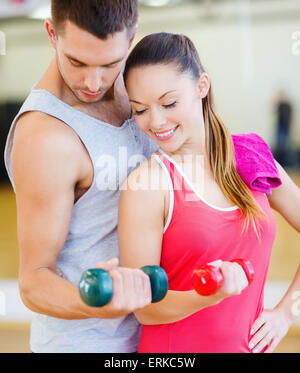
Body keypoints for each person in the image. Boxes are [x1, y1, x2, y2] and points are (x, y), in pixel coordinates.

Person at [118, 32, 300, 353]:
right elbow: (144, 306)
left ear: (202, 86)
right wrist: (208, 295)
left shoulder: (252, 156)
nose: (155, 122)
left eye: (169, 102)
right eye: (140, 110)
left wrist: (287, 312)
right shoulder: (147, 184)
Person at [3, 0, 156, 353]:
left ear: (132, 37)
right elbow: (34, 281)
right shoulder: (46, 136)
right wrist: (99, 302)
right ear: (52, 34)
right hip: (87, 345)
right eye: (77, 62)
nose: (93, 82)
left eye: (109, 64)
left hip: (156, 336)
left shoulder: (137, 85)